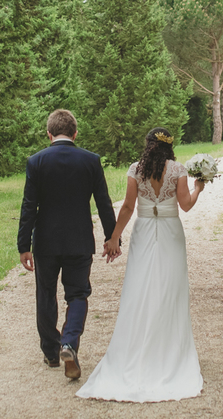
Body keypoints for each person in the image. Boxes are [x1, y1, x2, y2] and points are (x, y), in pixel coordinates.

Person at [75, 126, 205, 402]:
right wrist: (197, 188)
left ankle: (136, 348)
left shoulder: (137, 169)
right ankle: (168, 350)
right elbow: (186, 206)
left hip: (145, 231)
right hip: (170, 232)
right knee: (170, 288)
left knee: (139, 288)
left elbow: (127, 208)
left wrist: (113, 238)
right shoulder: (179, 170)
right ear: (169, 147)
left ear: (148, 144)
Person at [18, 109, 118, 380]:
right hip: (79, 239)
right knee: (77, 294)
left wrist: (23, 245)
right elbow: (103, 202)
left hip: (46, 242)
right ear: (75, 133)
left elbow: (29, 206)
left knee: (45, 294)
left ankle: (51, 353)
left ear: (49, 134)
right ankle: (69, 343)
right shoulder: (91, 160)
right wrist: (113, 238)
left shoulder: (36, 161)